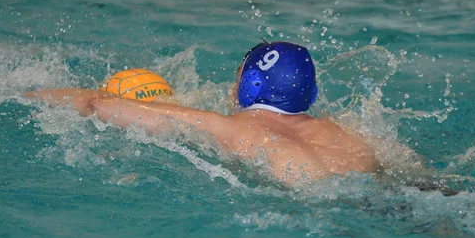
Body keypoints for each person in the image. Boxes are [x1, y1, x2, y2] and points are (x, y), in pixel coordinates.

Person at [26, 42, 377, 184]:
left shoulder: (225, 128)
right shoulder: (351, 135)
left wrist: (25, 93)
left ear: (249, 86)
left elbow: (100, 106)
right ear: (311, 93)